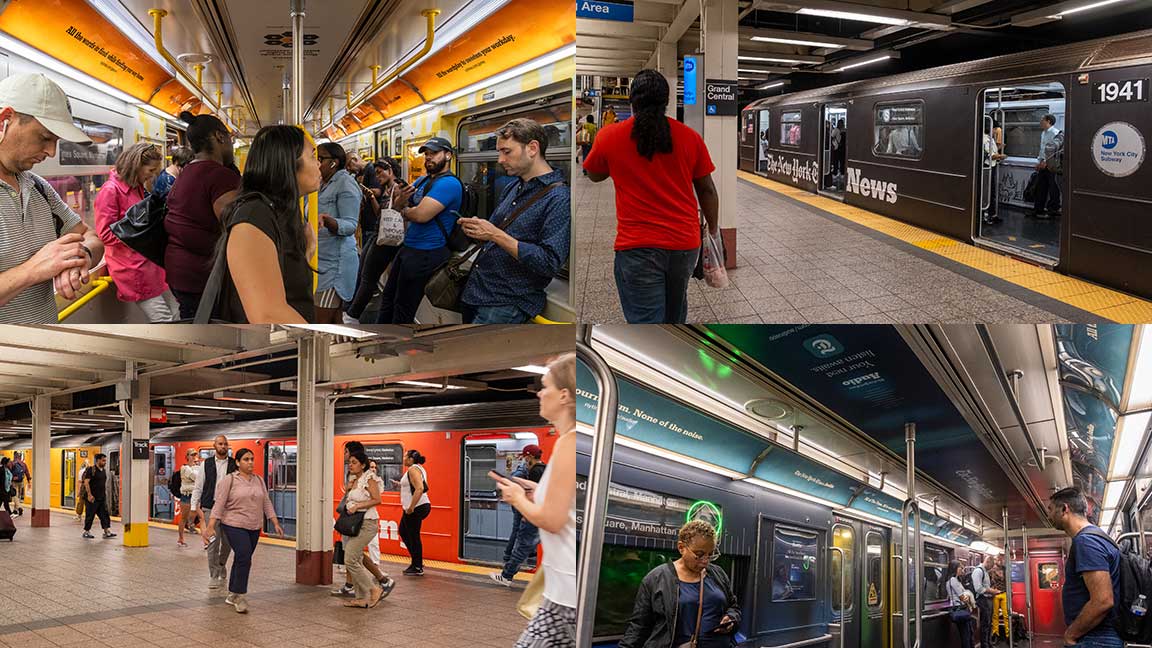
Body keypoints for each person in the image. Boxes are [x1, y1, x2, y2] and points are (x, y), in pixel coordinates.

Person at [583, 69, 719, 324]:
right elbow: (707, 189)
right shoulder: (690, 137)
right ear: (666, 101)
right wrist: (713, 231)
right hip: (684, 245)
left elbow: (594, 174)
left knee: (646, 322)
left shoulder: (609, 136)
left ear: (632, 101)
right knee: (675, 313)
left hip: (637, 247)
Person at [0, 73, 106, 323]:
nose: (51, 151)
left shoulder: (39, 187)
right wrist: (32, 270)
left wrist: (80, 256)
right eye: (45, 137)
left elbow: (92, 238)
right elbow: (38, 267)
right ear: (5, 120)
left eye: (56, 141)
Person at [493, 353, 579, 647]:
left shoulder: (570, 444)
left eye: (545, 386)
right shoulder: (568, 442)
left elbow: (553, 521)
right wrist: (531, 490)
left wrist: (518, 498)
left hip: (566, 597)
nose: (540, 393)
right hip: (560, 590)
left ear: (565, 395)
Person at [459, 118, 570, 324]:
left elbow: (549, 262)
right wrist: (480, 231)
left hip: (505, 303)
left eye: (506, 152)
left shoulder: (559, 198)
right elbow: (496, 235)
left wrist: (494, 234)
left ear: (532, 148)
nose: (500, 159)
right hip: (478, 290)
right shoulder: (513, 187)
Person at [213, 125, 319, 323]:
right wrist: (320, 348)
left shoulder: (280, 212)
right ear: (288, 164)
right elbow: (268, 314)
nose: (319, 164)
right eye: (313, 156)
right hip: (274, 350)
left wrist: (306, 252)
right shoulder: (254, 217)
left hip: (288, 346)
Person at [378, 137, 463, 324]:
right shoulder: (424, 180)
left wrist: (403, 208)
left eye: (434, 153)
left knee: (403, 307)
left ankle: (396, 345)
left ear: (448, 155)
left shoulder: (449, 184)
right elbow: (401, 200)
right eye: (426, 154)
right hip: (409, 247)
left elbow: (421, 215)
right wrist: (404, 205)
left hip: (427, 252)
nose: (428, 158)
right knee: (389, 297)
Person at [164, 111, 240, 318]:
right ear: (219, 137)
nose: (231, 145)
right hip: (203, 278)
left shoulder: (186, 171)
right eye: (230, 139)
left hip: (179, 272)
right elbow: (237, 227)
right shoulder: (220, 176)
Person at [617, 520, 740, 648]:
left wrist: (731, 619)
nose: (705, 561)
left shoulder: (717, 574)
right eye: (699, 555)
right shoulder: (657, 579)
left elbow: (733, 606)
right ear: (681, 548)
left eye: (710, 555)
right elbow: (639, 627)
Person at [93, 142, 180, 322]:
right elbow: (105, 234)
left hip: (150, 265)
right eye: (150, 170)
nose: (153, 175)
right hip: (132, 268)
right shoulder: (110, 191)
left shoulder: (138, 187)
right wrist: (141, 234)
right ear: (136, 166)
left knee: (177, 311)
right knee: (163, 319)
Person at [202, 447, 285, 614]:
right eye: (246, 459)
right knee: (244, 555)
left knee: (242, 558)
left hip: (254, 526)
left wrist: (274, 521)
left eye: (252, 459)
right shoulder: (229, 480)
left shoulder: (259, 480)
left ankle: (232, 593)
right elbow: (219, 504)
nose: (250, 462)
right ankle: (239, 595)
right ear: (238, 462)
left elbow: (266, 502)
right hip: (233, 524)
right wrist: (210, 525)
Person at [1048, 486, 1122, 648]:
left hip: (1096, 637)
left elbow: (1103, 600)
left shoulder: (1086, 541)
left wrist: (1071, 634)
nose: (1049, 515)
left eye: (1051, 509)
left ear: (1064, 509)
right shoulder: (1096, 536)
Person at [332, 441, 395, 598]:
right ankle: (379, 582)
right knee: (354, 554)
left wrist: (356, 505)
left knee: (352, 554)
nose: (347, 460)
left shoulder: (368, 477)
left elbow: (376, 498)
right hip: (352, 520)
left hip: (363, 521)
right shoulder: (353, 477)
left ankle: (367, 587)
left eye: (348, 455)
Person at [346, 158, 402, 321]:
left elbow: (397, 214)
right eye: (376, 174)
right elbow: (380, 215)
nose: (378, 177)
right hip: (378, 234)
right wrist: (371, 198)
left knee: (368, 276)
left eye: (380, 173)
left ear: (390, 170)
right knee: (363, 270)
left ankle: (353, 315)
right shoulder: (386, 189)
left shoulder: (398, 188)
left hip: (387, 240)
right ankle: (351, 309)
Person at [314, 142, 361, 323]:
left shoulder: (345, 184)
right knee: (333, 321)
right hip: (322, 259)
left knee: (321, 321)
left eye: (320, 159)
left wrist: (327, 221)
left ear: (333, 162)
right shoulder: (321, 182)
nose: (316, 163)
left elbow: (350, 225)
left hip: (335, 266)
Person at [490, 444, 547, 587]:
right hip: (541, 514)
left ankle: (506, 576)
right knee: (528, 545)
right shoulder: (546, 469)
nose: (524, 460)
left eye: (526, 457)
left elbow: (533, 494)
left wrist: (525, 514)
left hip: (532, 515)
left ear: (530, 457)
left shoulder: (535, 471)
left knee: (522, 546)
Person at [191, 435, 238, 590]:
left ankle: (221, 565)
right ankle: (213, 575)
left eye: (225, 444)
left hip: (229, 509)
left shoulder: (234, 464)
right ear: (214, 446)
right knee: (212, 543)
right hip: (210, 507)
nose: (223, 446)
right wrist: (193, 507)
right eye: (220, 444)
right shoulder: (207, 464)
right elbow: (198, 486)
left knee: (228, 543)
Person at [396, 448, 432, 576]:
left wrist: (411, 507)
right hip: (418, 506)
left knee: (413, 536)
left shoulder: (412, 469)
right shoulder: (418, 468)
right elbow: (413, 486)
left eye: (405, 456)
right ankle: (417, 561)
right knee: (404, 532)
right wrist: (400, 485)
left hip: (416, 507)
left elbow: (420, 488)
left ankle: (417, 566)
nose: (403, 458)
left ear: (411, 459)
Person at [1030, 114, 1064, 220]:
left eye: (1042, 120)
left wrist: (1045, 161)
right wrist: (1039, 161)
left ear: (1048, 121)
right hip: (1043, 164)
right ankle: (1038, 209)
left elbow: (1053, 151)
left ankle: (1053, 210)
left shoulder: (1055, 133)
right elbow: (1042, 149)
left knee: (1053, 188)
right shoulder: (1043, 133)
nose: (1040, 122)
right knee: (1041, 187)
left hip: (1051, 165)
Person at [82, 453, 116, 539]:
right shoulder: (91, 470)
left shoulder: (103, 470)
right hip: (92, 498)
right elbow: (86, 483)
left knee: (104, 515)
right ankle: (86, 532)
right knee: (90, 515)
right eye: (103, 460)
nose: (105, 462)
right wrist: (89, 495)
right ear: (98, 460)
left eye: (105, 460)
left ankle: (106, 532)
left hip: (101, 497)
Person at [973, 554, 1001, 648]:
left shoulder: (985, 571)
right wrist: (992, 591)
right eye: (991, 566)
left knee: (989, 623)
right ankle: (984, 645)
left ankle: (988, 643)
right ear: (987, 562)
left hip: (988, 599)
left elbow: (985, 586)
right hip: (982, 600)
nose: (991, 568)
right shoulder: (978, 571)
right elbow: (979, 588)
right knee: (985, 624)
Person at [982, 120, 1006, 225]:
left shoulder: (990, 139)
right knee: (988, 192)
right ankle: (986, 215)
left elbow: (993, 151)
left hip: (992, 166)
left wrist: (1000, 147)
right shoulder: (984, 139)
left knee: (992, 191)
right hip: (987, 167)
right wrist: (1001, 156)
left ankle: (991, 214)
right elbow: (989, 155)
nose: (996, 131)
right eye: (995, 129)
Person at [175, 449, 201, 546]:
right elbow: (196, 477)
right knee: (183, 518)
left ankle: (206, 541)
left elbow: (200, 478)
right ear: (187, 457)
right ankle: (180, 539)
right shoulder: (184, 468)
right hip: (186, 496)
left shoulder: (198, 467)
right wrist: (197, 475)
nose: (194, 456)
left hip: (196, 496)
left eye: (195, 454)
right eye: (192, 455)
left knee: (202, 517)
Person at [946, 561, 975, 648]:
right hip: (960, 608)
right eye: (960, 568)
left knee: (968, 634)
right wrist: (967, 596)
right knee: (966, 635)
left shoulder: (956, 580)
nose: (962, 570)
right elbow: (963, 597)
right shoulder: (953, 580)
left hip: (961, 608)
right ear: (954, 568)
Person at [9, 451, 29, 517]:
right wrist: (29, 480)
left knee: (15, 496)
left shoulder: (12, 463)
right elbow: (27, 472)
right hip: (21, 482)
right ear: (20, 457)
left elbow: (9, 471)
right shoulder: (23, 464)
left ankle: (19, 507)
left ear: (14, 456)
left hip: (14, 482)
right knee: (18, 496)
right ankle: (15, 509)